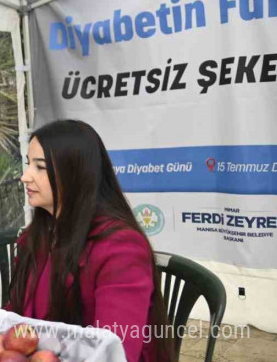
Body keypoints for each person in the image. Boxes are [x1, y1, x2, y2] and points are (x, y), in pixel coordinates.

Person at [10, 120, 174, 361]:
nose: (25, 177)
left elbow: (114, 350)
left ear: (74, 174)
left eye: (40, 167)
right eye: (28, 164)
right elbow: (13, 317)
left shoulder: (121, 249)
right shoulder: (37, 235)